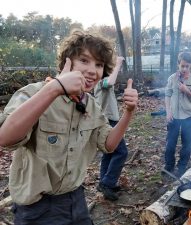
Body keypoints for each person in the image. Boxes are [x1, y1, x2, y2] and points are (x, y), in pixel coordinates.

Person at [0, 30, 138, 225]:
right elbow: (4, 137)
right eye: (84, 60)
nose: (93, 70)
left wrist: (129, 112)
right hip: (37, 209)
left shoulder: (91, 105)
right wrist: (55, 88)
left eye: (99, 65)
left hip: (76, 199)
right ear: (67, 61)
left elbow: (109, 145)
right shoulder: (34, 93)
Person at [94, 56, 127, 201]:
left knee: (109, 153)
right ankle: (107, 182)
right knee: (122, 152)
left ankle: (104, 182)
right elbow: (111, 81)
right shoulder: (102, 82)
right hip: (107, 122)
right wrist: (118, 63)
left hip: (108, 120)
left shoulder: (102, 83)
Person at [163, 52, 191, 177]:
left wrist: (187, 91)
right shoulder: (171, 78)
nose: (185, 69)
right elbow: (167, 95)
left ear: (190, 66)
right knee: (170, 144)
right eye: (183, 66)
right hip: (173, 116)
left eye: (187, 66)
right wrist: (168, 112)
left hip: (189, 117)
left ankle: (182, 167)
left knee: (187, 144)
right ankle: (169, 166)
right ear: (178, 64)